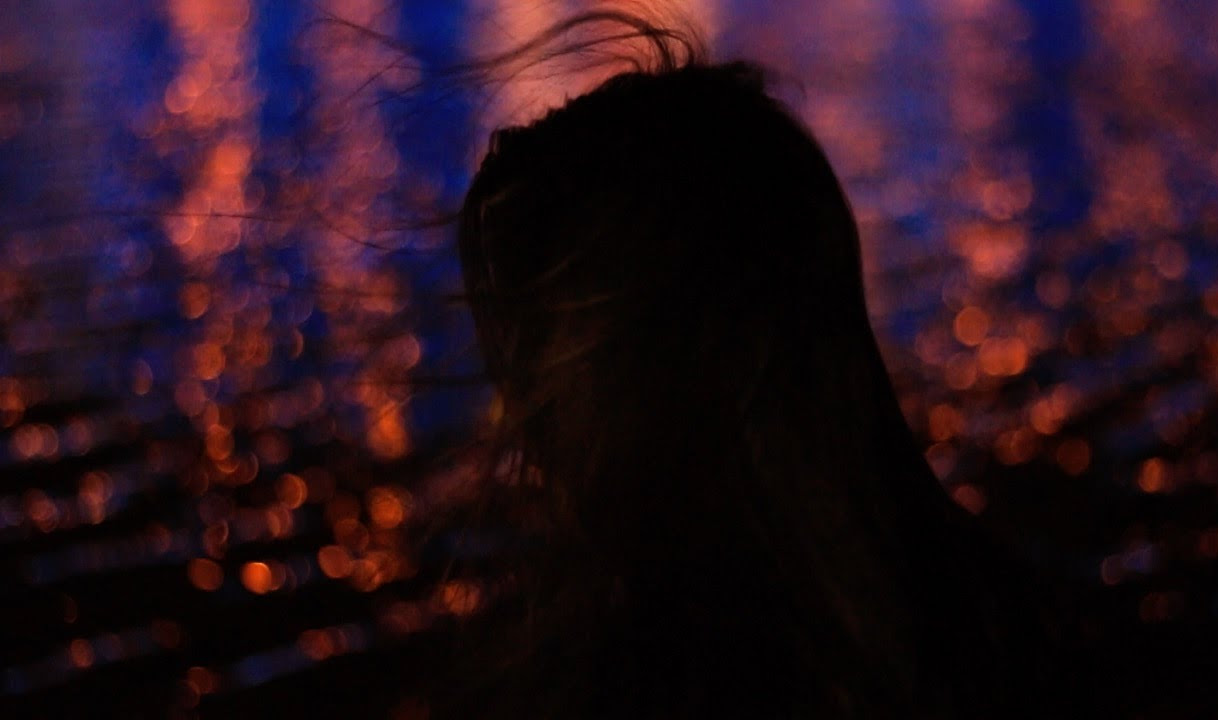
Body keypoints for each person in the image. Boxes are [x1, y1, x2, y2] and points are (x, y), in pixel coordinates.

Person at [426, 12, 1072, 719]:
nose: (524, 431)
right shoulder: (1009, 630)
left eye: (528, 375)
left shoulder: (632, 682)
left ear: (608, 391)